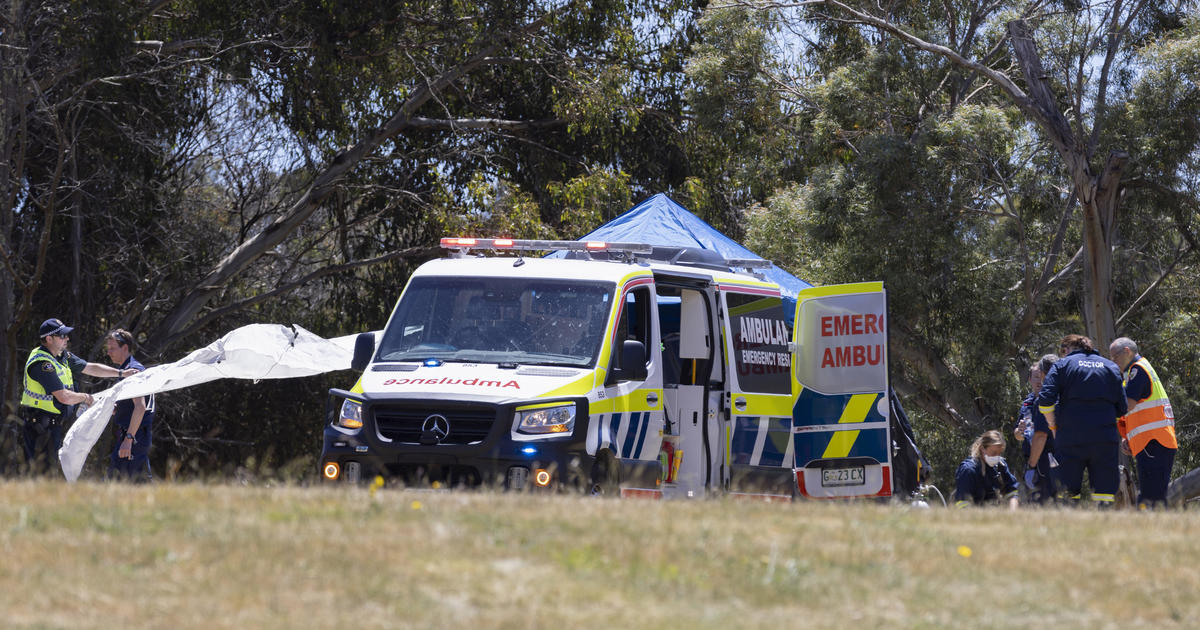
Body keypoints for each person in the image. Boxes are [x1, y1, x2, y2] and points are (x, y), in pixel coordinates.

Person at [19, 318, 135, 474]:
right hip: (39, 428)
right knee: (38, 474)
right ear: (49, 339)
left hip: (51, 426)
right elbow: (64, 397)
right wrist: (85, 397)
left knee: (48, 473)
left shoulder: (62, 356)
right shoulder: (42, 364)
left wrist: (121, 373)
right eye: (62, 336)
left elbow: (90, 367)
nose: (67, 338)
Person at [1037, 334, 1127, 506]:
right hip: (1104, 439)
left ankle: (1070, 529)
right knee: (1104, 495)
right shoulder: (1111, 367)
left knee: (1068, 494)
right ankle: (1103, 527)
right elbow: (1122, 408)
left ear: (1066, 349)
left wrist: (1053, 426)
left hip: (1070, 438)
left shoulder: (1062, 365)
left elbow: (1046, 400)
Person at [1108, 337, 1177, 509]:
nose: (1113, 361)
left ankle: (1156, 531)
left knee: (1150, 497)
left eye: (1114, 356)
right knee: (1152, 496)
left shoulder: (1137, 370)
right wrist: (1129, 438)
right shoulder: (1136, 371)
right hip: (1153, 443)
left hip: (1154, 442)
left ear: (1127, 351)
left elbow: (1127, 404)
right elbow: (1136, 412)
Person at [104, 329, 155, 481]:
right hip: (130, 435)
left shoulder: (134, 371)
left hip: (134, 436)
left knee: (126, 482)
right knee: (124, 482)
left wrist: (129, 439)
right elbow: (131, 405)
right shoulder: (124, 370)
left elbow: (140, 406)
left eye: (112, 348)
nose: (109, 353)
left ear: (125, 348)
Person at [1014, 353, 1060, 503]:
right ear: (1029, 380)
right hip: (1031, 457)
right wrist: (1019, 432)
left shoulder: (1052, 399)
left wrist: (1032, 466)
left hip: (1049, 457)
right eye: (1035, 377)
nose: (1039, 381)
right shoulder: (1027, 403)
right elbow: (1018, 435)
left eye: (1040, 375)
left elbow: (1041, 435)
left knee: (1048, 501)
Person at [953, 430, 1019, 508]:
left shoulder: (1001, 466)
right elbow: (963, 504)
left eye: (1000, 453)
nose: (997, 457)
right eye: (994, 453)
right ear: (982, 449)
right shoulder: (968, 470)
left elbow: (1012, 492)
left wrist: (1012, 512)